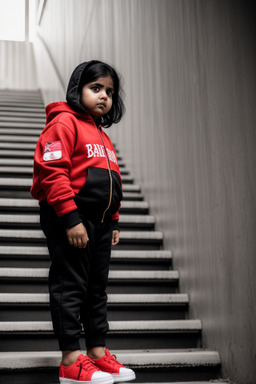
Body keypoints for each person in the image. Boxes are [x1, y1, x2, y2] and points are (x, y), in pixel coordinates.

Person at [31, 60, 136, 384]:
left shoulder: (101, 134)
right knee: (70, 284)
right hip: (70, 219)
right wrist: (71, 219)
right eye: (96, 88)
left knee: (96, 290)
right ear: (78, 89)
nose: (104, 96)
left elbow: (111, 180)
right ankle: (70, 360)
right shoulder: (63, 123)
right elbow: (52, 173)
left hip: (100, 222)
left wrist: (113, 219)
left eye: (109, 91)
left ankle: (96, 352)